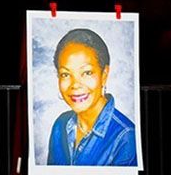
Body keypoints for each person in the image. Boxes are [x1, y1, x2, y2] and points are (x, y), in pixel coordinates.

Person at [47, 28, 136, 166]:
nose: (75, 85)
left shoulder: (126, 137)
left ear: (104, 75)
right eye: (65, 74)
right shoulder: (60, 125)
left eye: (87, 73)